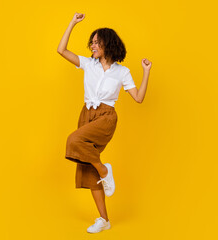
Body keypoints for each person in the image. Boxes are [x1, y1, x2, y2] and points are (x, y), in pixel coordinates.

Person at [57, 12, 152, 233]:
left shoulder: (122, 72)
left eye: (97, 42)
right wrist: (72, 23)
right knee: (88, 170)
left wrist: (146, 72)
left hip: (106, 117)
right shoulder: (88, 64)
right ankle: (104, 219)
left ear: (108, 44)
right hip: (86, 115)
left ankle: (104, 170)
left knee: (74, 141)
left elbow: (138, 98)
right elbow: (61, 50)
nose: (93, 45)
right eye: (92, 42)